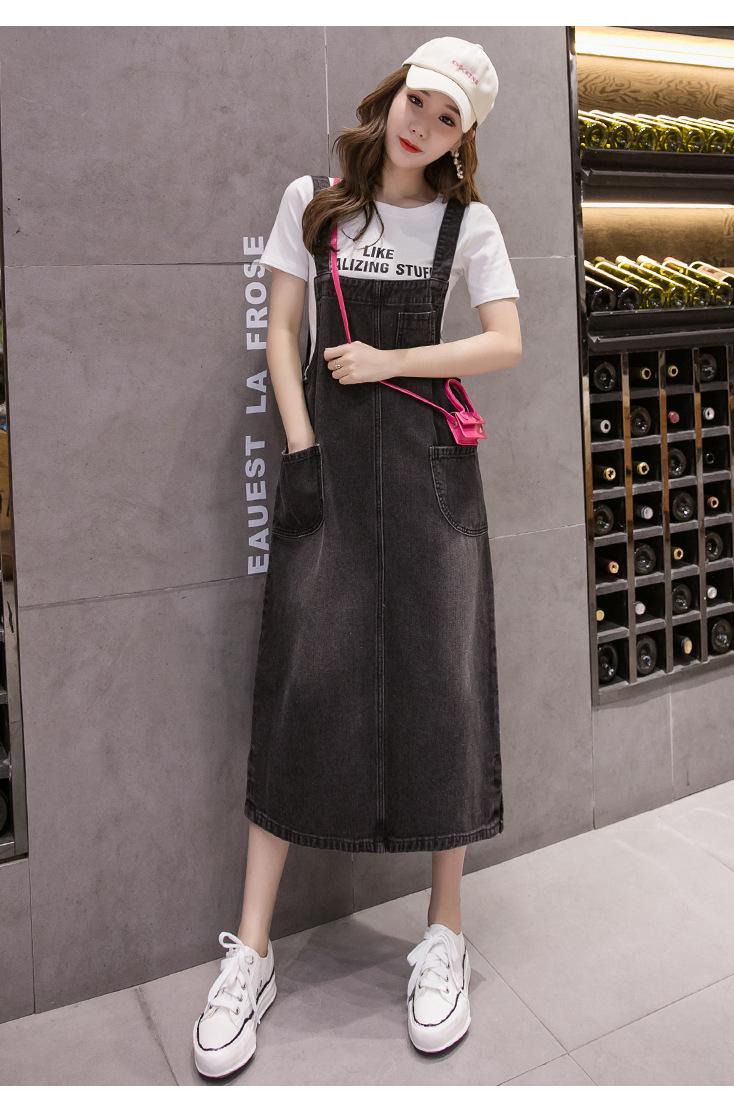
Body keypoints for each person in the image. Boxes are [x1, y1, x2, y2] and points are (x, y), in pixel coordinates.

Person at [193, 36, 523, 1079]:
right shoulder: (315, 202)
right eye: (420, 101)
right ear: (393, 96)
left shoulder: (469, 223)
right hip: (327, 472)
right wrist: (301, 454)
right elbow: (282, 335)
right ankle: (252, 950)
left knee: (444, 688)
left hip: (432, 477)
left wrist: (390, 360)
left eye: (449, 118)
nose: (425, 125)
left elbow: (505, 341)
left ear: (463, 138)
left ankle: (444, 931)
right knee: (302, 683)